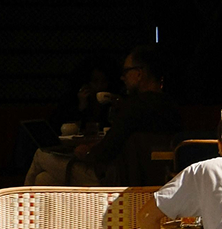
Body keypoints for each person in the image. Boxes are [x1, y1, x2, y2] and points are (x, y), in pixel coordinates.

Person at [26, 44, 183, 186]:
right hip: (154, 178)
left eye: (126, 71)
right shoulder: (170, 106)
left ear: (139, 74)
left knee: (40, 155)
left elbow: (104, 152)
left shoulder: (135, 106)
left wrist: (86, 152)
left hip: (113, 179)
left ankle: (16, 206)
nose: (122, 77)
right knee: (43, 179)